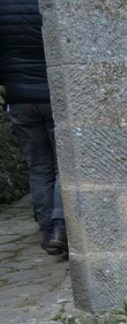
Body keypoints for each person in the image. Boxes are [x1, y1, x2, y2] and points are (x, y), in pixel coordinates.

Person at [0, 0, 67, 255]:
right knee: (63, 164)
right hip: (54, 95)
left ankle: (48, 230)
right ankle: (60, 227)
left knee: (38, 167)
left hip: (19, 98)